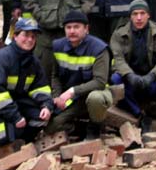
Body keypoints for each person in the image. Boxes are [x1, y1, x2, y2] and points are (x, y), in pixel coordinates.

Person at [0, 18, 53, 159]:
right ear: (15, 36)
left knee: (41, 118)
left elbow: (41, 87)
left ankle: (21, 140)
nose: (30, 40)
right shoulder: (1, 58)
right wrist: (15, 116)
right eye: (25, 35)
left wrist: (46, 105)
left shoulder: (33, 62)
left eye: (33, 36)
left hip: (14, 99)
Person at [110, 0, 156, 137]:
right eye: (135, 14)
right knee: (115, 79)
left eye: (142, 13)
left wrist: (153, 75)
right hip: (132, 83)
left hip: (154, 82)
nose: (138, 18)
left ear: (148, 15)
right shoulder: (119, 34)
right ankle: (140, 116)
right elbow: (117, 59)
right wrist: (130, 75)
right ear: (130, 16)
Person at [45, 11, 112, 139]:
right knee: (51, 127)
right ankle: (79, 128)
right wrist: (57, 96)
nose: (72, 31)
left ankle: (95, 128)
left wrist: (72, 91)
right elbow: (56, 76)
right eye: (68, 27)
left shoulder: (99, 48)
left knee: (95, 99)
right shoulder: (58, 46)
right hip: (72, 99)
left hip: (96, 92)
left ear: (86, 29)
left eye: (76, 27)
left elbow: (100, 82)